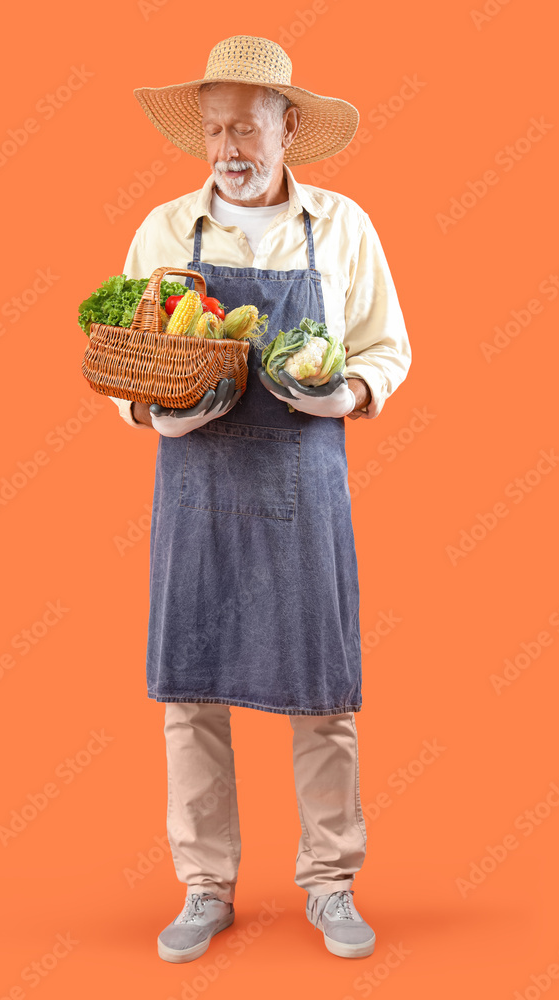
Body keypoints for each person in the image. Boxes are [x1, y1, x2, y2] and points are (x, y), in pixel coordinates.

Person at [108, 35, 412, 964]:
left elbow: (386, 348)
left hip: (305, 478)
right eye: (213, 129)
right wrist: (150, 412)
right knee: (189, 692)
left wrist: (345, 393)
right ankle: (204, 887)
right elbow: (126, 359)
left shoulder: (343, 226)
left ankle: (329, 883)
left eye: (246, 125)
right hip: (194, 485)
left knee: (322, 693)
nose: (227, 146)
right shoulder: (163, 231)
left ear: (290, 131)